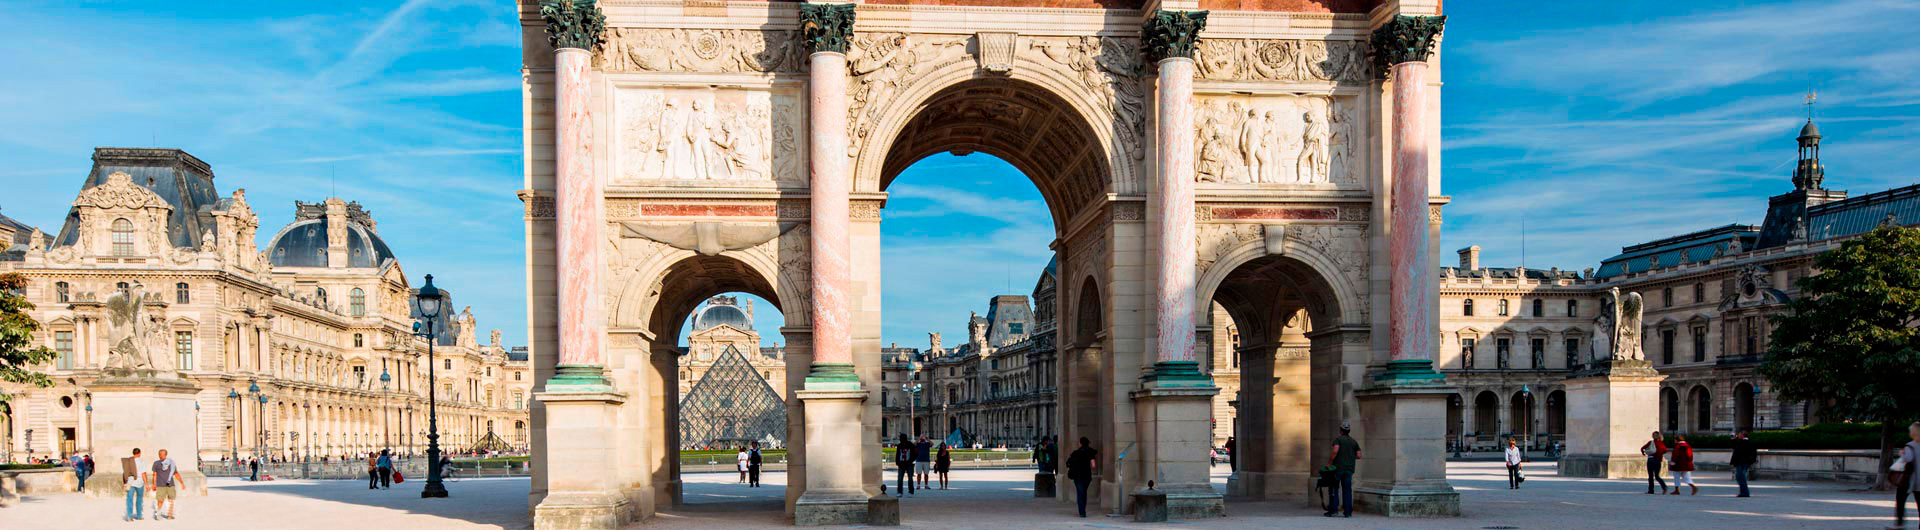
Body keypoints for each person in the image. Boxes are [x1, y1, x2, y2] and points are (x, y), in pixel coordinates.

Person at [1326, 421, 1360, 518]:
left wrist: (1329, 463)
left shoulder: (1338, 439)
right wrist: (1349, 456)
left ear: (1341, 430)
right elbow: (1359, 455)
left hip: (1338, 469)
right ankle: (1348, 512)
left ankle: (1333, 510)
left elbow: (1335, 450)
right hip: (1349, 469)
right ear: (1349, 431)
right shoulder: (1354, 441)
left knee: (1334, 488)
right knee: (1347, 490)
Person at [1891, 421, 1919, 529]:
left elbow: (1908, 459)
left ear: (1914, 432)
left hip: (1909, 480)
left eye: (1911, 430)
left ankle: (1899, 524)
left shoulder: (1910, 446)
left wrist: (1902, 454)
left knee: (1900, 500)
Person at [1065, 437, 1098, 518]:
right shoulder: (1090, 452)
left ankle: (1082, 512)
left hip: (1078, 476)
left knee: (1080, 494)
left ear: (1080, 443)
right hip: (1087, 476)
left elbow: (1068, 463)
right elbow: (1093, 465)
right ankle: (1083, 510)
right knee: (1084, 493)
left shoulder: (1076, 453)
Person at [152, 448, 183, 520]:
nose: (160, 455)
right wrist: (154, 484)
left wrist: (181, 482)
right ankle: (158, 515)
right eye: (159, 454)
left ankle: (170, 515)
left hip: (170, 485)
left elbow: (176, 473)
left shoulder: (171, 463)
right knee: (160, 500)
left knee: (171, 500)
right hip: (160, 485)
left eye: (162, 454)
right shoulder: (156, 463)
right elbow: (154, 474)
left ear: (166, 455)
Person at [1730, 431, 1756, 498]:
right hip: (1740, 462)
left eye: (1739, 434)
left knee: (1741, 478)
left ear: (1742, 435)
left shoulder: (1746, 442)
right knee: (1739, 478)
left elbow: (1753, 453)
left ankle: (1745, 493)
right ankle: (1743, 492)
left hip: (1743, 463)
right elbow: (1734, 448)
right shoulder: (1740, 442)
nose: (1738, 435)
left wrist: (1750, 461)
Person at [123, 448, 146, 521]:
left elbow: (125, 472)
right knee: (139, 499)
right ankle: (139, 516)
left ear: (133, 453)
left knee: (129, 499)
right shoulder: (141, 462)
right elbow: (143, 473)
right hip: (139, 482)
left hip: (130, 482)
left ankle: (129, 516)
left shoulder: (128, 461)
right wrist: (147, 484)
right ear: (139, 453)